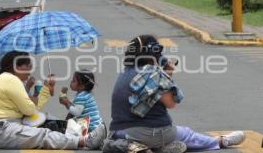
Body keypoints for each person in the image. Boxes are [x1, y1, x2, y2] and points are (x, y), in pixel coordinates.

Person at [104, 35, 245, 153]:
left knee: (162, 136)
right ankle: (220, 141)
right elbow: (170, 103)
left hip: (120, 133)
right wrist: (168, 74)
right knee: (186, 134)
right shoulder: (154, 74)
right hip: (151, 133)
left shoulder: (124, 72)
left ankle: (151, 147)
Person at [0, 51, 107, 150]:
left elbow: (32, 108)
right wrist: (45, 90)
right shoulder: (10, 79)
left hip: (4, 126)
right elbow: (30, 109)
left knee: (46, 119)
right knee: (42, 134)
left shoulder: (7, 79)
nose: (30, 69)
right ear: (15, 67)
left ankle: (83, 134)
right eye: (28, 65)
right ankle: (84, 141)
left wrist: (45, 88)